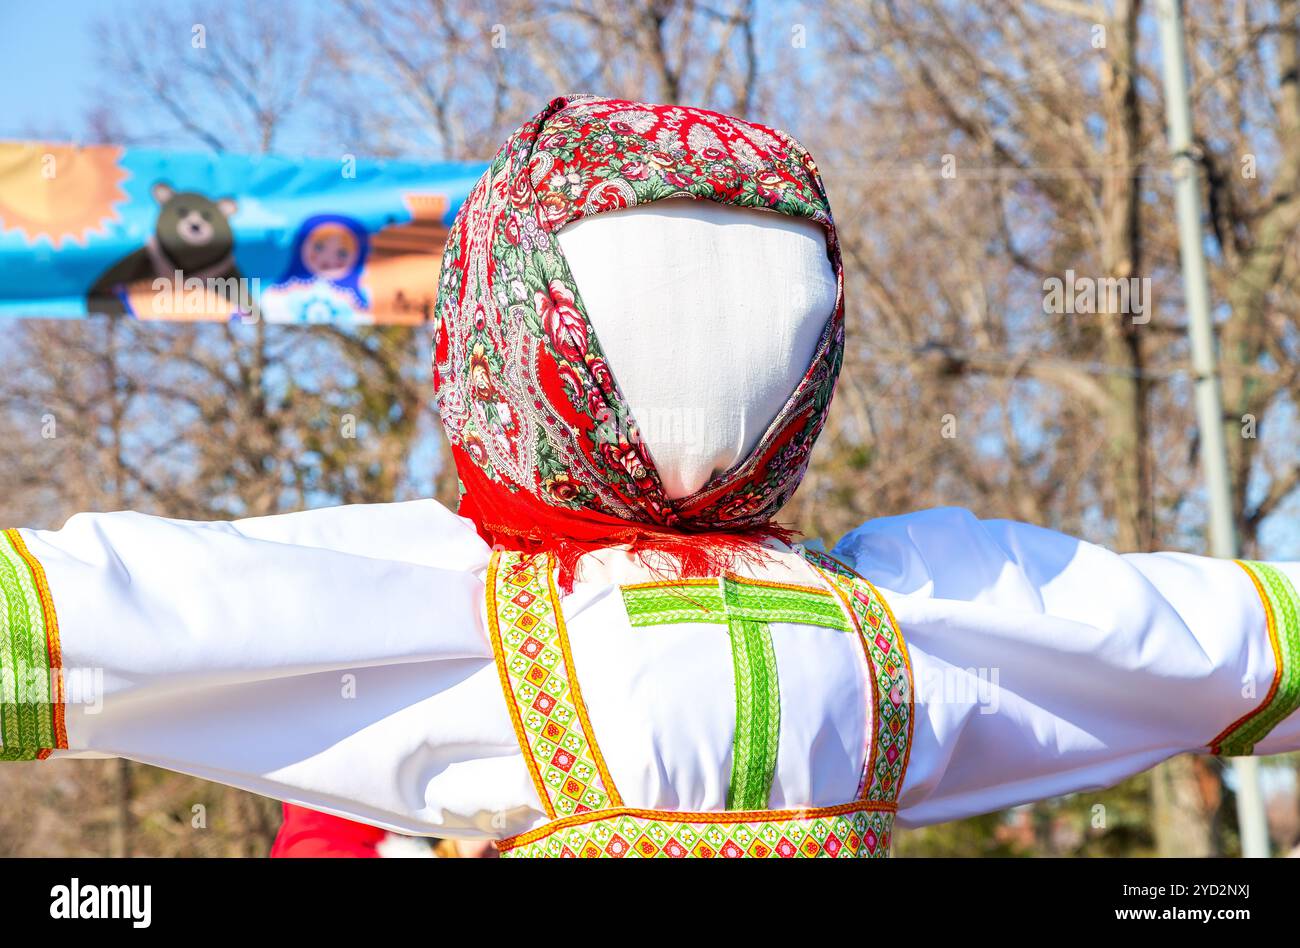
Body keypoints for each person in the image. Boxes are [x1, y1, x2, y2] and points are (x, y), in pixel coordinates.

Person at [1, 95, 1295, 858]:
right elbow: (1212, 638)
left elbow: (113, 610)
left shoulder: (469, 618)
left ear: (494, 338)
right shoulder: (919, 621)